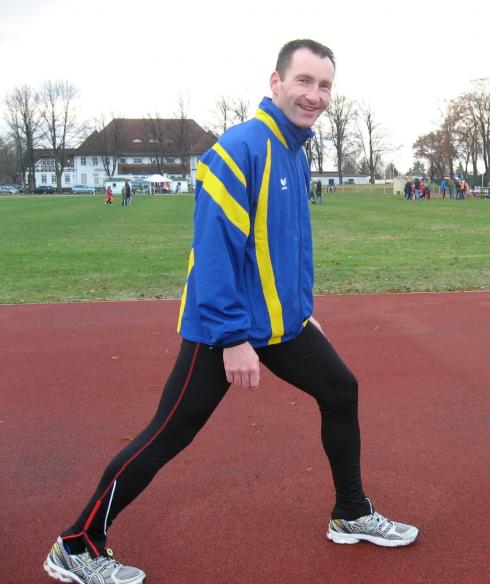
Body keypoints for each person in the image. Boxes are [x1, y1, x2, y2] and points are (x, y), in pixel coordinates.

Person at [44, 39, 418, 584]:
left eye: (324, 86)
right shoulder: (238, 149)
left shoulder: (294, 151)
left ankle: (351, 512)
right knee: (169, 432)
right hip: (224, 328)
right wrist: (232, 338)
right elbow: (214, 255)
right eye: (304, 81)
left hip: (279, 323)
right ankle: (77, 544)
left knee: (341, 390)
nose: (314, 95)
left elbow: (286, 245)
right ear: (276, 82)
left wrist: (301, 311)